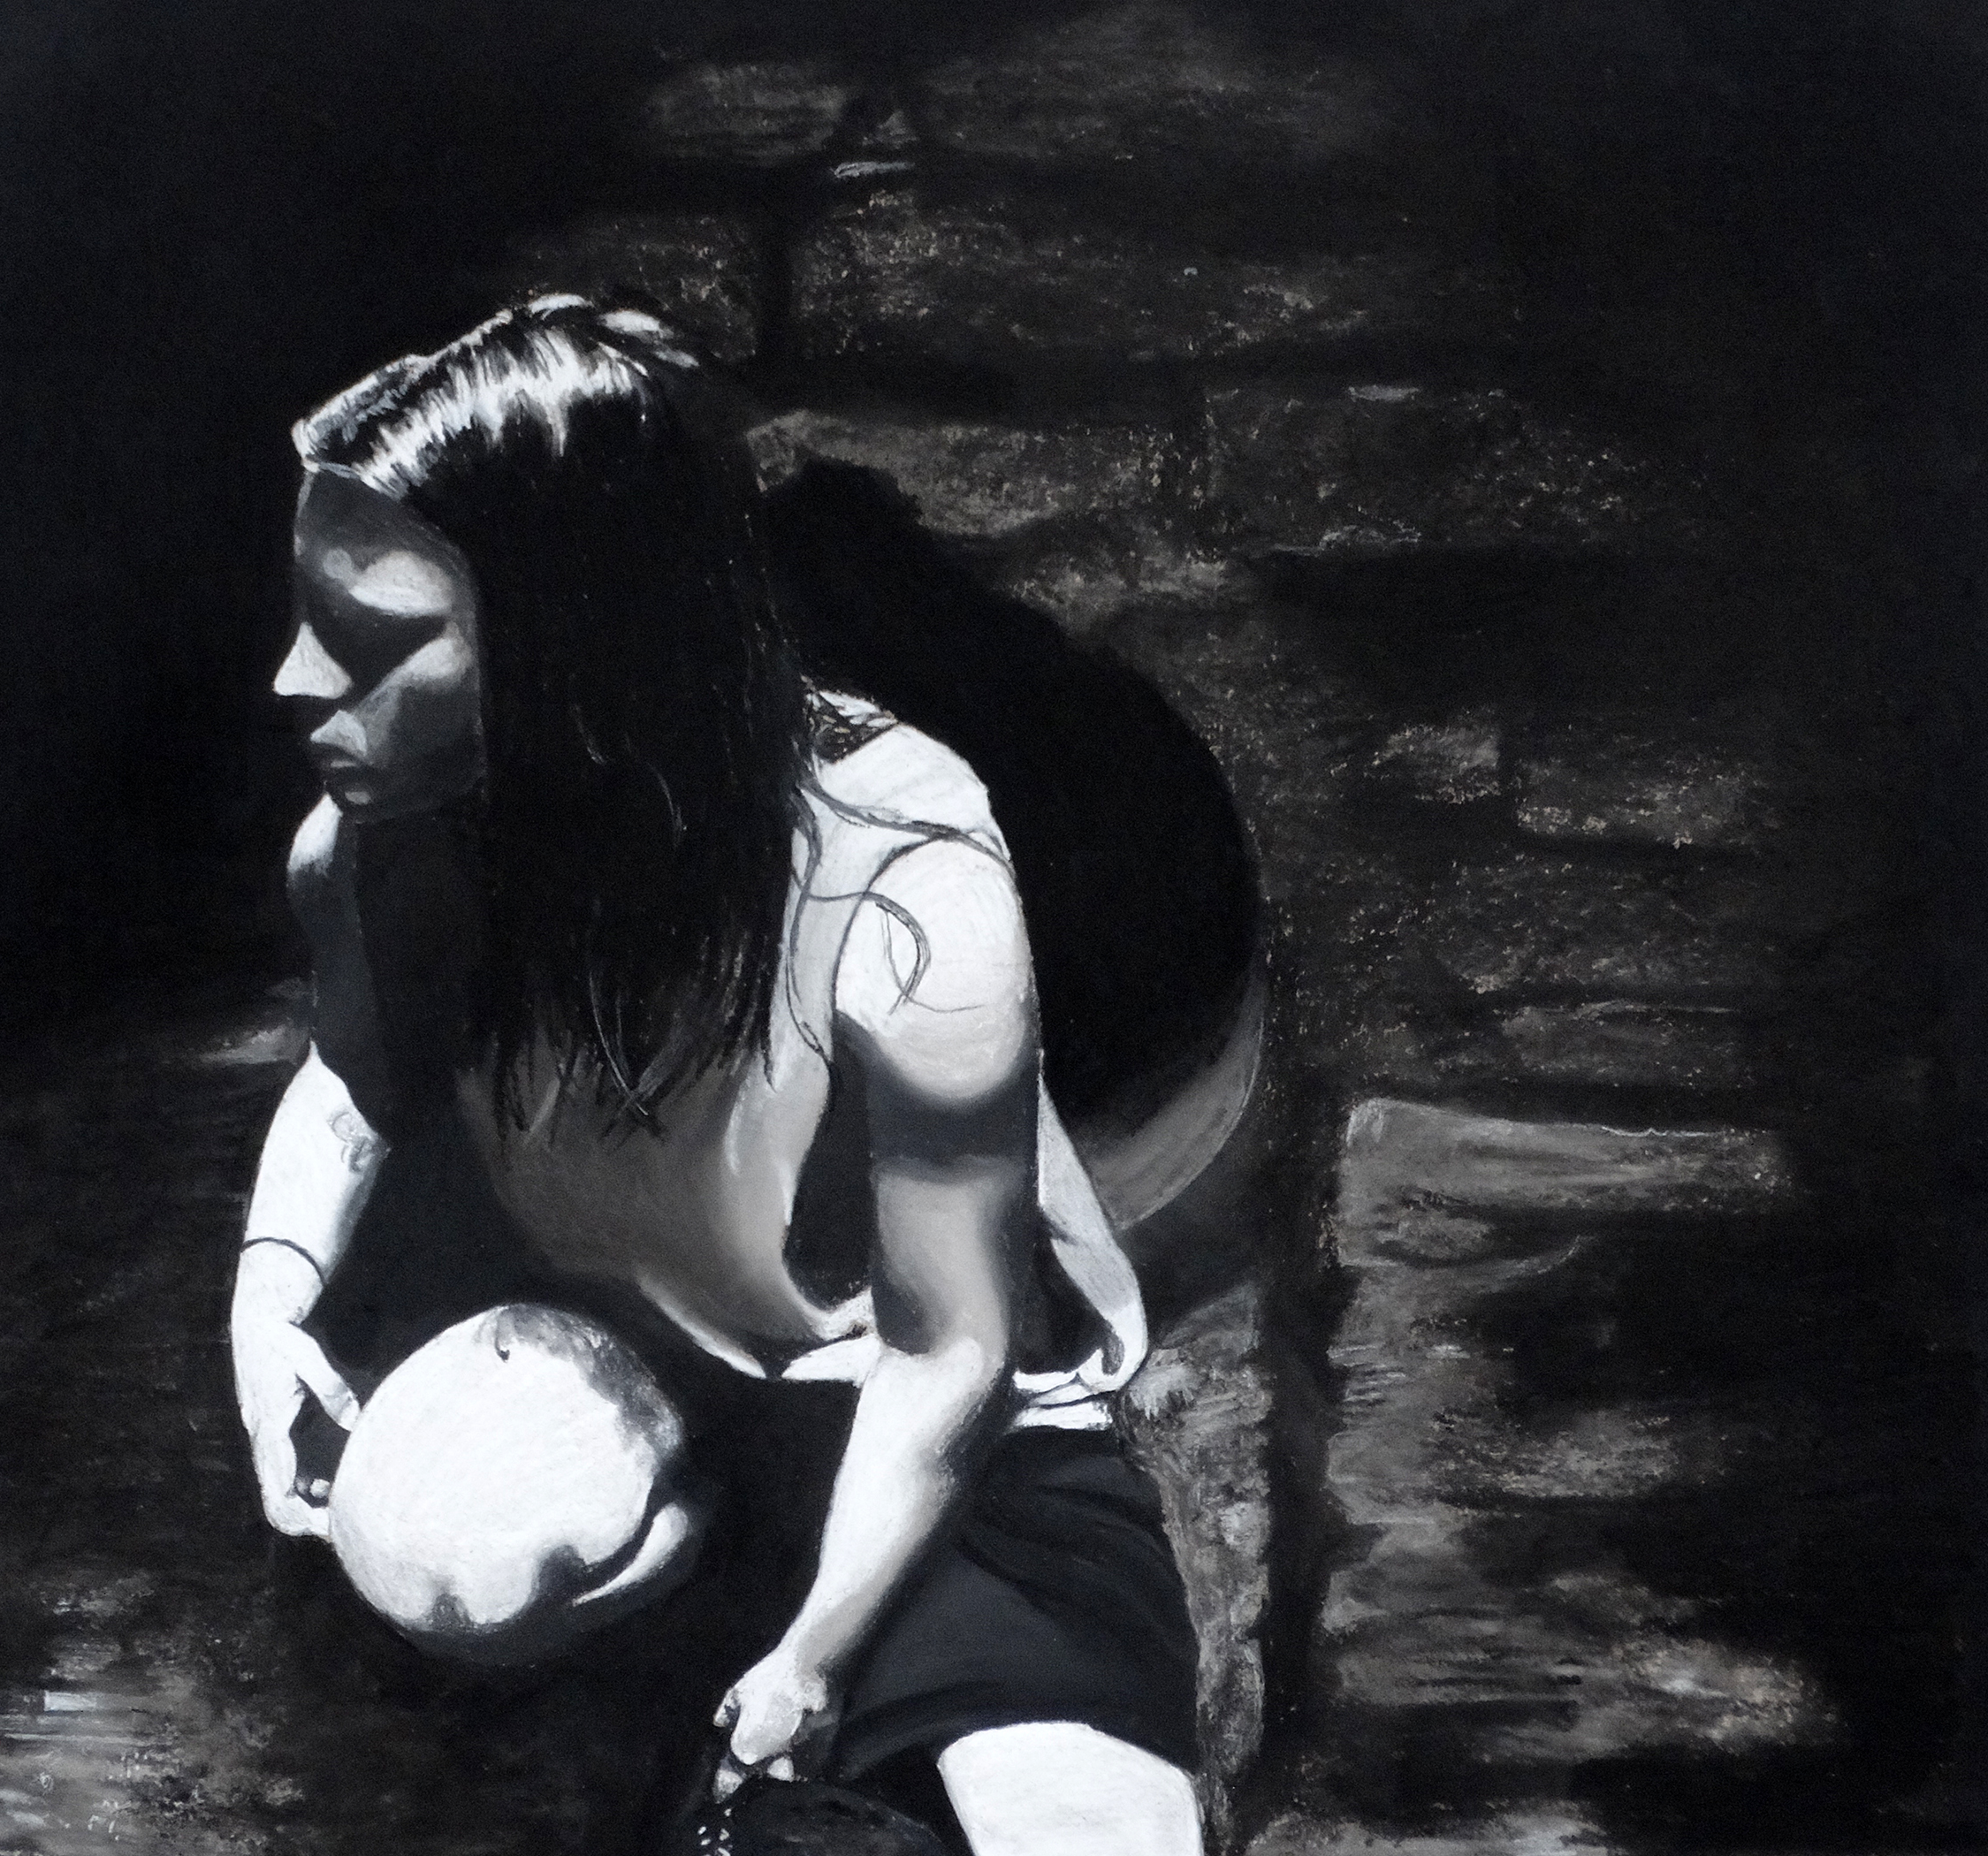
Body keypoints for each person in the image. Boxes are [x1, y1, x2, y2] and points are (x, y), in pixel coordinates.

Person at [230, 296, 1262, 1856]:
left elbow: (952, 1347)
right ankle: (697, 1584)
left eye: (369, 641)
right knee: (439, 1552)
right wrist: (270, 1307)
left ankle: (833, 1648)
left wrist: (811, 1664)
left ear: (569, 638)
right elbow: (350, 1086)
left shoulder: (898, 870)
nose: (295, 682)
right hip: (664, 1368)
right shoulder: (384, 848)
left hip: (943, 1416)